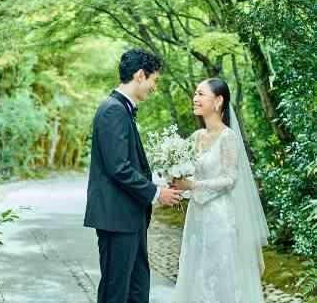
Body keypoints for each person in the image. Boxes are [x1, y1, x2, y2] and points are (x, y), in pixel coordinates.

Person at [84, 49, 183, 303]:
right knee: (116, 294)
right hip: (116, 219)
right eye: (154, 81)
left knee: (137, 291)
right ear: (140, 75)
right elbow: (119, 167)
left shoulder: (122, 110)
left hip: (130, 217)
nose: (154, 87)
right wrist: (156, 192)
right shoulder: (112, 110)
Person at [172, 78, 269, 303]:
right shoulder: (196, 138)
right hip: (196, 217)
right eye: (195, 93)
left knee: (220, 276)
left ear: (218, 101)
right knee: (194, 273)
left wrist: (193, 185)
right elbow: (187, 174)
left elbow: (230, 179)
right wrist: (176, 181)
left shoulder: (228, 137)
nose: (195, 98)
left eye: (200, 94)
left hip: (220, 218)